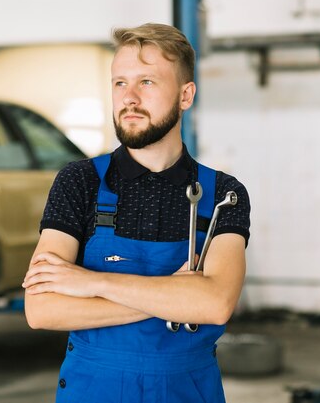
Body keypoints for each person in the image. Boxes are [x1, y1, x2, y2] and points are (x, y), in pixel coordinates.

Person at [22, 23, 250, 403]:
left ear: (185, 95)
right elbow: (42, 309)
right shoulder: (79, 183)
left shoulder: (224, 194)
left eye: (146, 82)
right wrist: (173, 297)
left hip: (186, 392)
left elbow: (215, 305)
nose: (128, 98)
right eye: (119, 83)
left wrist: (93, 283)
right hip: (95, 391)